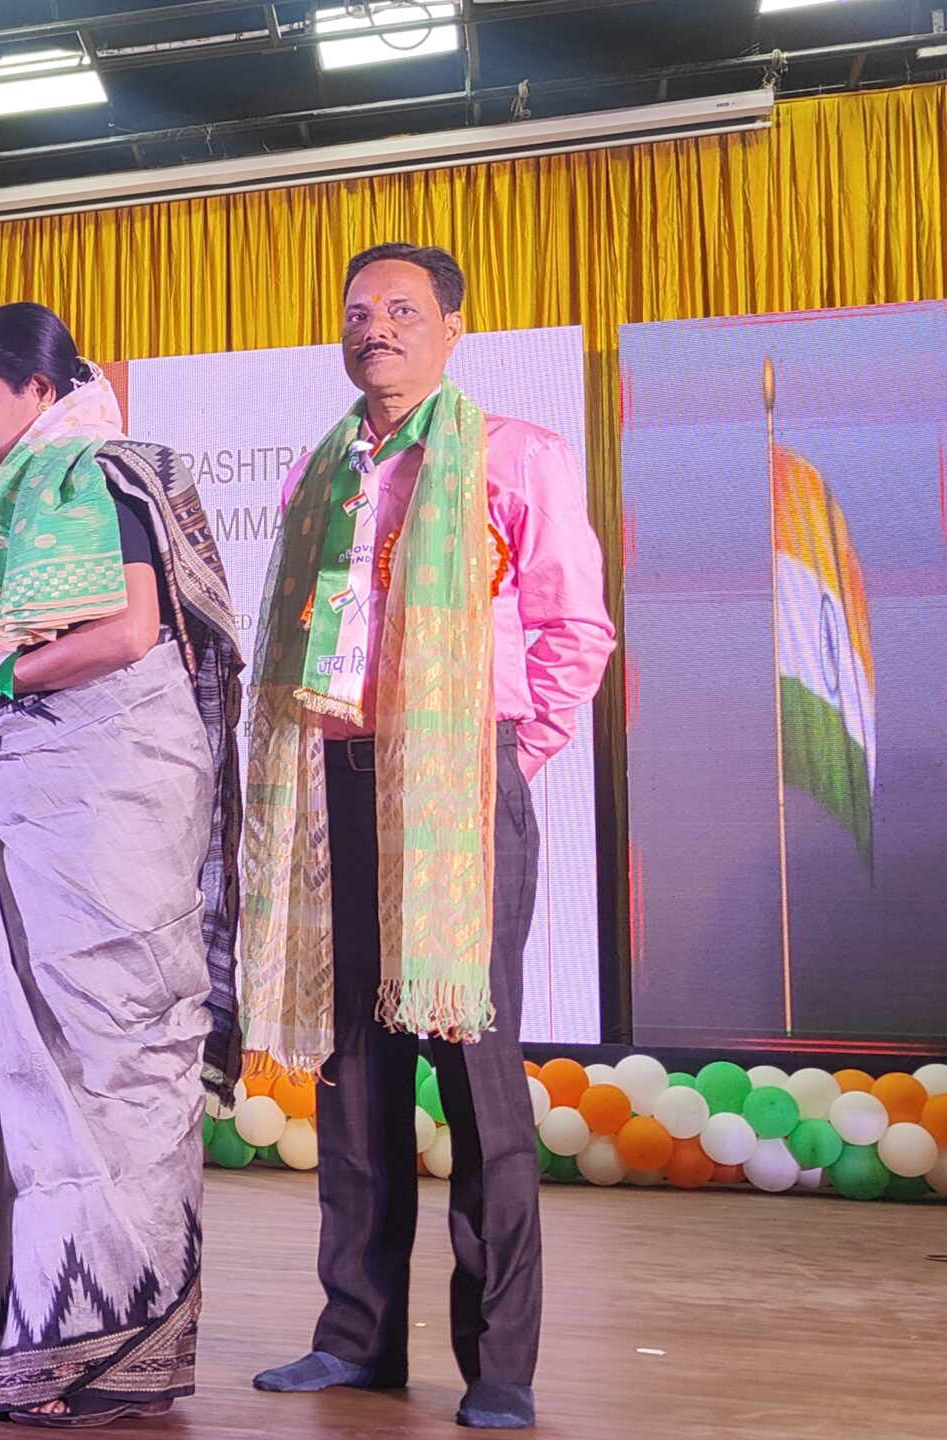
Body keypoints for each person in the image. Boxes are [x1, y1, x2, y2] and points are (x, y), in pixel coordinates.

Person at [244, 245, 614, 1432]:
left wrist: (494, 761)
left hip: (457, 794)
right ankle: (353, 1338)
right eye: (358, 312)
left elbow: (575, 630)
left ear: (454, 328)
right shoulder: (321, 471)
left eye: (403, 310)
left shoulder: (515, 455)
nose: (378, 329)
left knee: (473, 1075)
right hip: (338, 786)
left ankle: (499, 1362)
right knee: (354, 1077)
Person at [0, 303, 246, 1426]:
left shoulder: (97, 473)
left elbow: (128, 632)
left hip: (107, 800)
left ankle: (105, 1341)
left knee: (105, 1059)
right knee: (31, 1069)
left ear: (38, 389)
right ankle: (27, 1330)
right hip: (41, 797)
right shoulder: (34, 487)